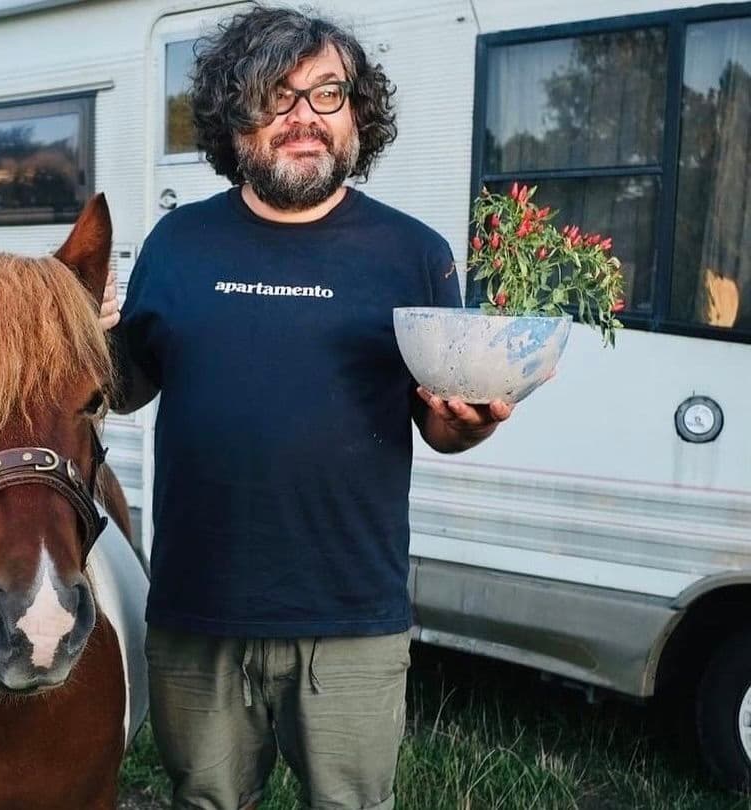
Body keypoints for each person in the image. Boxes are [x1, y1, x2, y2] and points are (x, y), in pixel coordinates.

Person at [97, 7, 513, 809]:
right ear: (233, 117)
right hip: (197, 609)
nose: (303, 119)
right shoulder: (177, 243)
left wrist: (463, 428)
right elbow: (127, 386)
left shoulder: (414, 254)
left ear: (358, 113)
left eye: (327, 94)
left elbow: (438, 418)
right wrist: (82, 342)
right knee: (206, 800)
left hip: (352, 613)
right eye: (275, 96)